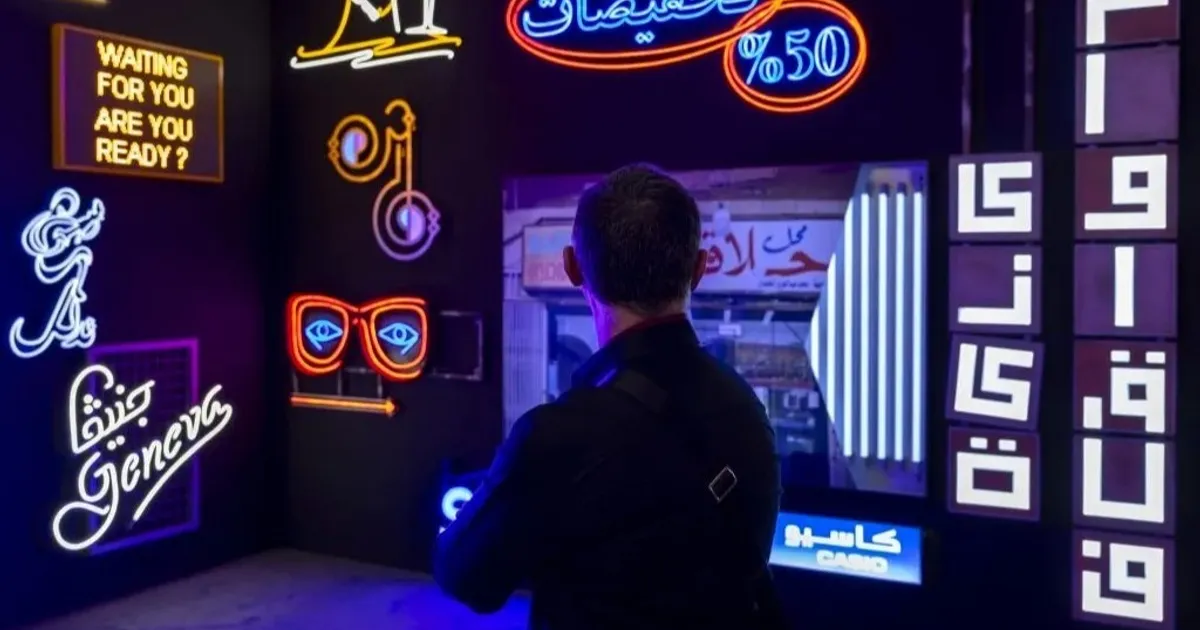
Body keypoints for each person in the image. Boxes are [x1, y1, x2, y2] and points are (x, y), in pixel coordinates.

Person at [434, 164, 784, 629]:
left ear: (572, 267)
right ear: (700, 268)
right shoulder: (746, 409)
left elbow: (465, 576)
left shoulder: (556, 435)